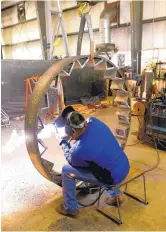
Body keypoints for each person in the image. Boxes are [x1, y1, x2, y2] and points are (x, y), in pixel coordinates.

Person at [55, 106, 130, 218]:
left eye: (71, 134)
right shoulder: (95, 121)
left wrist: (64, 143)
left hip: (113, 177)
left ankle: (70, 208)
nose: (71, 137)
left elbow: (72, 160)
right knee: (101, 162)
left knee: (67, 170)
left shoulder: (80, 150)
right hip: (124, 165)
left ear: (74, 130)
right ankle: (116, 196)